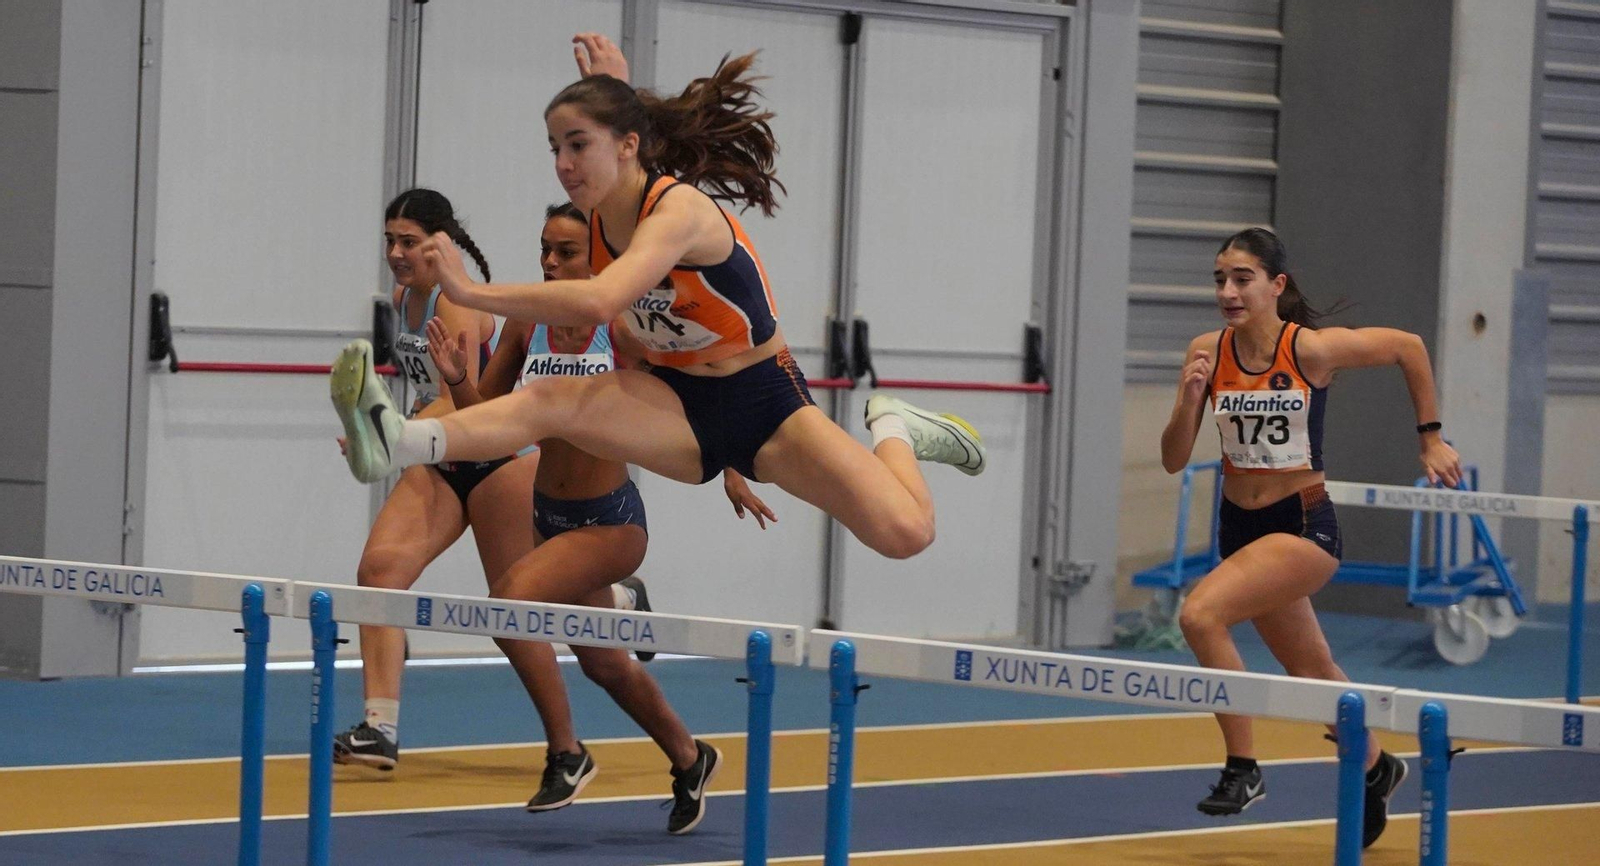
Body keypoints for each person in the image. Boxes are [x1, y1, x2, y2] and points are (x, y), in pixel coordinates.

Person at [329, 42, 985, 591]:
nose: (561, 164)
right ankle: (397, 441)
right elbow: (604, 277)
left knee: (906, 535)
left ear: (626, 146)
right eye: (553, 146)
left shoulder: (679, 214)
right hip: (677, 402)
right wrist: (614, 88)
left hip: (764, 402)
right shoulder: (601, 219)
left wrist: (469, 293)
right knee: (554, 398)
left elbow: (598, 300)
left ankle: (894, 424)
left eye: (577, 145)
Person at [420, 200, 765, 833]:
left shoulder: (625, 330)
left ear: (599, 260)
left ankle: (568, 753)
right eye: (544, 251)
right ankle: (691, 758)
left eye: (567, 252)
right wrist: (457, 383)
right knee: (605, 663)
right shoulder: (529, 329)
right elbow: (488, 425)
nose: (551, 264)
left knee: (512, 603)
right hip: (548, 518)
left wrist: (734, 470)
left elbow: (706, 397)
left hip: (610, 521)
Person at [1158, 227, 1461, 848]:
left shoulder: (1312, 351)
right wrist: (1190, 401)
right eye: (1220, 279)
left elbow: (1408, 346)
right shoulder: (1205, 352)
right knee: (1309, 666)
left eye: (1242, 279)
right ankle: (1379, 767)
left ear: (1276, 285)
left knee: (1200, 615)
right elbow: (1172, 458)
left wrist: (1429, 436)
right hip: (1238, 529)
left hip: (1302, 525)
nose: (1228, 291)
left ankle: (1243, 768)